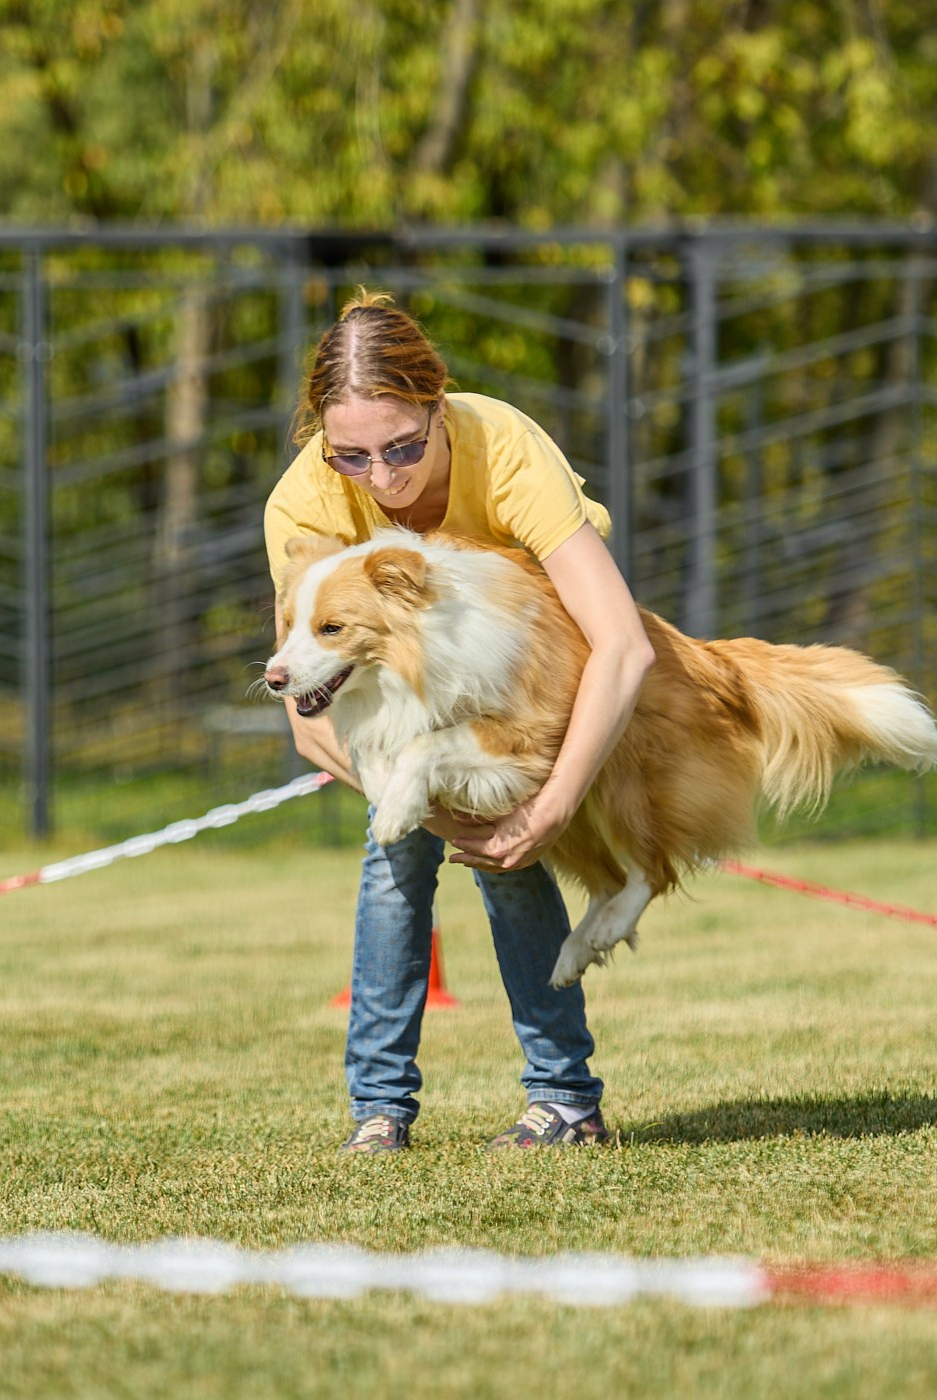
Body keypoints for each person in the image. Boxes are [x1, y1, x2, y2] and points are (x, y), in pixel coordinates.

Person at [263, 291, 655, 1153]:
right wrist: (426, 802)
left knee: (510, 859)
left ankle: (563, 1099)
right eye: (352, 458)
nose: (384, 479)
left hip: (525, 662)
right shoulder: (303, 505)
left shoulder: (503, 446)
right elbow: (307, 718)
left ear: (440, 409)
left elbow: (620, 646)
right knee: (393, 844)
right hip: (401, 702)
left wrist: (542, 812)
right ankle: (379, 1112)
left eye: (402, 446)